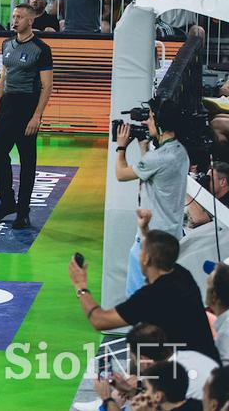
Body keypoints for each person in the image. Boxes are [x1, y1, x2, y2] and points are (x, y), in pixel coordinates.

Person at [69, 225, 220, 362]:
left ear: (146, 258)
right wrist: (145, 230)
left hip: (190, 374)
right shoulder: (181, 274)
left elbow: (99, 320)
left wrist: (80, 286)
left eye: (141, 251)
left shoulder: (152, 297)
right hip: (207, 360)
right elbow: (160, 250)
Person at [114, 98, 190, 297]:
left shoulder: (158, 158)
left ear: (160, 124)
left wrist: (121, 147)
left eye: (149, 118)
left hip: (151, 242)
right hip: (171, 238)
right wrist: (143, 149)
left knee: (140, 300)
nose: (147, 122)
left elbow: (121, 174)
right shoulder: (180, 151)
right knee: (162, 298)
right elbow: (157, 177)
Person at [0, 3, 52, 230]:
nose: (14, 20)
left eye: (20, 17)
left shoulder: (41, 49)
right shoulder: (6, 44)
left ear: (30, 21)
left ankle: (23, 211)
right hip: (7, 106)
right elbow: (3, 77)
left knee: (27, 162)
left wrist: (37, 116)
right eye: (14, 16)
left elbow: (46, 86)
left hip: (27, 106)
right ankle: (7, 202)